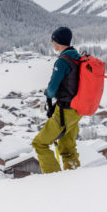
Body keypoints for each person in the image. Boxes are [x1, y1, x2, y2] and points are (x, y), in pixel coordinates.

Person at [31, 26, 82, 173]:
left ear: (58, 42)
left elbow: (52, 89)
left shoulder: (62, 61)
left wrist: (48, 94)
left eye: (53, 41)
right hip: (77, 110)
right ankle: (73, 175)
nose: (52, 44)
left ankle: (53, 179)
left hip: (64, 111)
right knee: (68, 147)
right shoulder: (77, 57)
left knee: (39, 143)